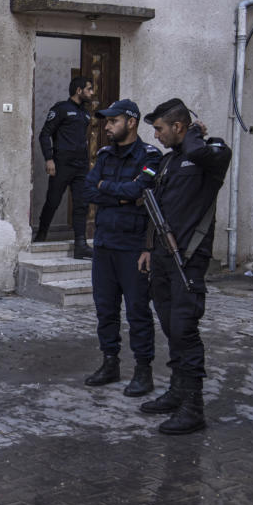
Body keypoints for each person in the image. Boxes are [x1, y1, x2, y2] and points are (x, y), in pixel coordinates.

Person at [137, 99, 231, 436]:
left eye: (161, 129)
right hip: (162, 258)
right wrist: (149, 247)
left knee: (184, 330)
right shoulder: (166, 162)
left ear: (179, 127)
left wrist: (194, 133)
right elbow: (150, 199)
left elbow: (199, 151)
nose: (157, 135)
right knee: (170, 326)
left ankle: (193, 407)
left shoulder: (213, 154)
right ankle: (177, 392)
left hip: (188, 259)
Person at [81, 99, 164, 396]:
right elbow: (88, 189)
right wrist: (119, 195)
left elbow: (141, 189)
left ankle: (143, 371)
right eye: (106, 122)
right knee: (105, 309)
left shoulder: (151, 156)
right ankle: (110, 362)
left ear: (131, 122)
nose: (107, 127)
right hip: (104, 244)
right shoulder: (104, 155)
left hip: (134, 246)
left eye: (113, 121)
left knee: (138, 311)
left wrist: (108, 189)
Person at [35, 76, 96, 258]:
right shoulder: (61, 109)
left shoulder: (85, 113)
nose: (91, 92)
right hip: (62, 165)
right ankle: (41, 235)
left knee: (81, 205)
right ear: (79, 90)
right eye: (89, 89)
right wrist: (49, 159)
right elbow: (45, 134)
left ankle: (80, 244)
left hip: (81, 167)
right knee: (53, 201)